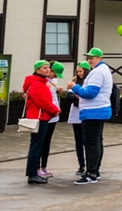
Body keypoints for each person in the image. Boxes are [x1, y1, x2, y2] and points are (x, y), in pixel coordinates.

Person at [66, 47, 113, 185]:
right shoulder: (102, 70)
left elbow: (90, 93)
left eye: (92, 58)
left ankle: (91, 173)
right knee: (96, 141)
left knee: (91, 142)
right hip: (98, 109)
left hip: (94, 110)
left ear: (100, 58)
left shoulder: (98, 72)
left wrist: (74, 87)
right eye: (88, 58)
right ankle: (95, 171)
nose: (89, 60)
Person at [23, 61, 60, 184]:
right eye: (44, 68)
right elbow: (42, 101)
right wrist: (55, 110)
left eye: (48, 68)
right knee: (36, 147)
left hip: (42, 117)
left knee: (36, 146)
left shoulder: (40, 83)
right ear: (37, 70)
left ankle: (33, 173)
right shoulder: (36, 83)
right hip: (39, 118)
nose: (47, 70)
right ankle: (32, 174)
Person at [38, 61, 64, 179]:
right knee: (40, 141)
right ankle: (37, 167)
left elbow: (54, 97)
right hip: (44, 114)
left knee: (47, 141)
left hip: (54, 114)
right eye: (55, 73)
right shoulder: (42, 81)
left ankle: (44, 166)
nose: (55, 76)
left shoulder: (53, 81)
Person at [68, 62, 89, 176]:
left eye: (80, 71)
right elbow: (68, 96)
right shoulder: (74, 81)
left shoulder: (90, 81)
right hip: (76, 114)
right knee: (78, 141)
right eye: (77, 71)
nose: (78, 73)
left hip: (87, 114)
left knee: (87, 141)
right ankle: (81, 164)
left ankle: (90, 164)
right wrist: (76, 96)